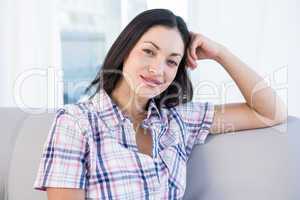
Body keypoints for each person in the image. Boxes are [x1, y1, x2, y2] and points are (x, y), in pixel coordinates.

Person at [33, 8, 287, 200]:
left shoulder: (177, 120)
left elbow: (270, 112)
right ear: (125, 50)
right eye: (149, 51)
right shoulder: (75, 122)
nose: (157, 69)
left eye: (172, 61)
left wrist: (221, 53)